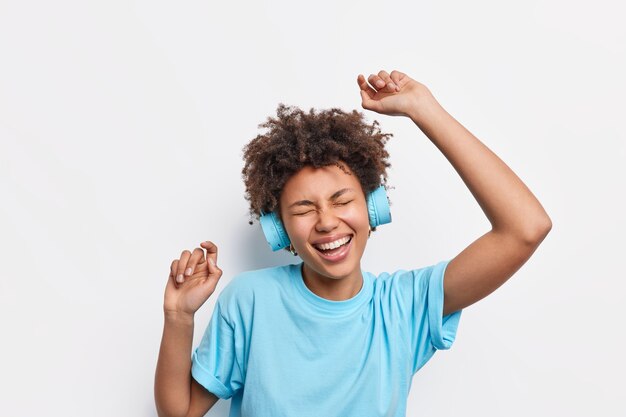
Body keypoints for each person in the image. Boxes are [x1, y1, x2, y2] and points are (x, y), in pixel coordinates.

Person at [154, 69, 552, 417]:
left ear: (374, 207)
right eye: (304, 209)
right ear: (278, 229)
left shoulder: (406, 305)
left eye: (342, 200)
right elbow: (180, 412)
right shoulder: (250, 300)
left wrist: (424, 109)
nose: (327, 222)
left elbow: (525, 227)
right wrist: (178, 317)